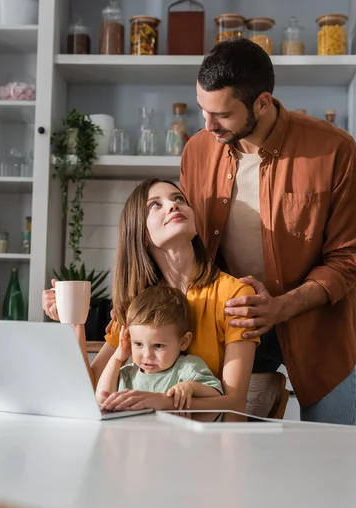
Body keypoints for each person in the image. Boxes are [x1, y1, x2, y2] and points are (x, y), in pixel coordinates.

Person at [180, 37, 356, 424]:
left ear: (262, 102)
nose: (207, 126)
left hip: (320, 331)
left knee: (334, 461)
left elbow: (348, 258)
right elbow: (187, 246)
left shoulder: (334, 149)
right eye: (202, 111)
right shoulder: (197, 151)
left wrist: (280, 307)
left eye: (222, 115)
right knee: (226, 463)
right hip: (233, 327)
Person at [43, 179, 259, 421]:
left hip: (207, 444)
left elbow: (235, 403)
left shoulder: (235, 294)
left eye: (179, 199)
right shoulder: (138, 304)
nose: (173, 206)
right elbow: (90, 389)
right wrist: (73, 322)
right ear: (141, 234)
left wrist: (162, 402)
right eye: (155, 205)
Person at [96, 285, 223, 411]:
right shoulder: (127, 374)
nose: (147, 355)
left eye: (158, 346)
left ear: (184, 341)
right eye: (138, 344)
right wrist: (117, 358)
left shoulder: (187, 368)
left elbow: (217, 395)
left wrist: (191, 387)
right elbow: (102, 399)